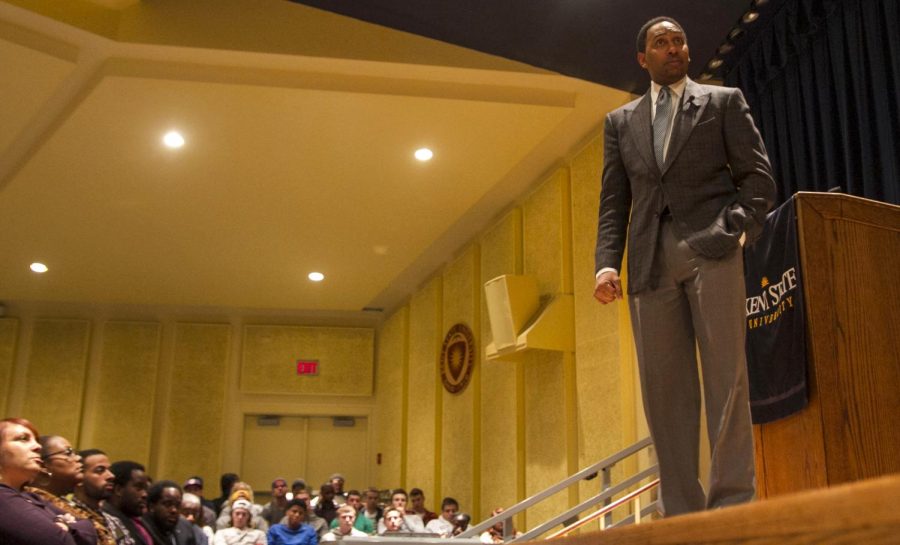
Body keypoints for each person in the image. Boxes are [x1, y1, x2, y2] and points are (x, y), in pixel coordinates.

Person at [593, 16, 776, 517]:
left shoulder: (722, 102)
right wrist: (606, 265)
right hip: (649, 264)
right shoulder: (619, 122)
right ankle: (682, 514)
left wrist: (733, 231)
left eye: (679, 41)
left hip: (711, 251)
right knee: (665, 398)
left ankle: (733, 506)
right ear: (642, 58)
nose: (673, 48)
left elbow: (758, 178)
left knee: (727, 383)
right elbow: (615, 201)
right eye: (661, 42)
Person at [0, 417, 98, 545]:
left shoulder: (31, 496)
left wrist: (65, 528)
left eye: (35, 440)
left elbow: (90, 530)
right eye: (23, 439)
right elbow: (60, 541)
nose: (38, 446)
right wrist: (65, 524)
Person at [72, 449, 119, 545]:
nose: (111, 476)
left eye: (109, 470)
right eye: (100, 470)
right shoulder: (69, 516)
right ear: (80, 477)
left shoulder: (113, 520)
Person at [104, 461, 151, 545]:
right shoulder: (106, 523)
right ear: (119, 490)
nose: (145, 494)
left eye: (146, 489)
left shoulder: (136, 523)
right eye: (139, 487)